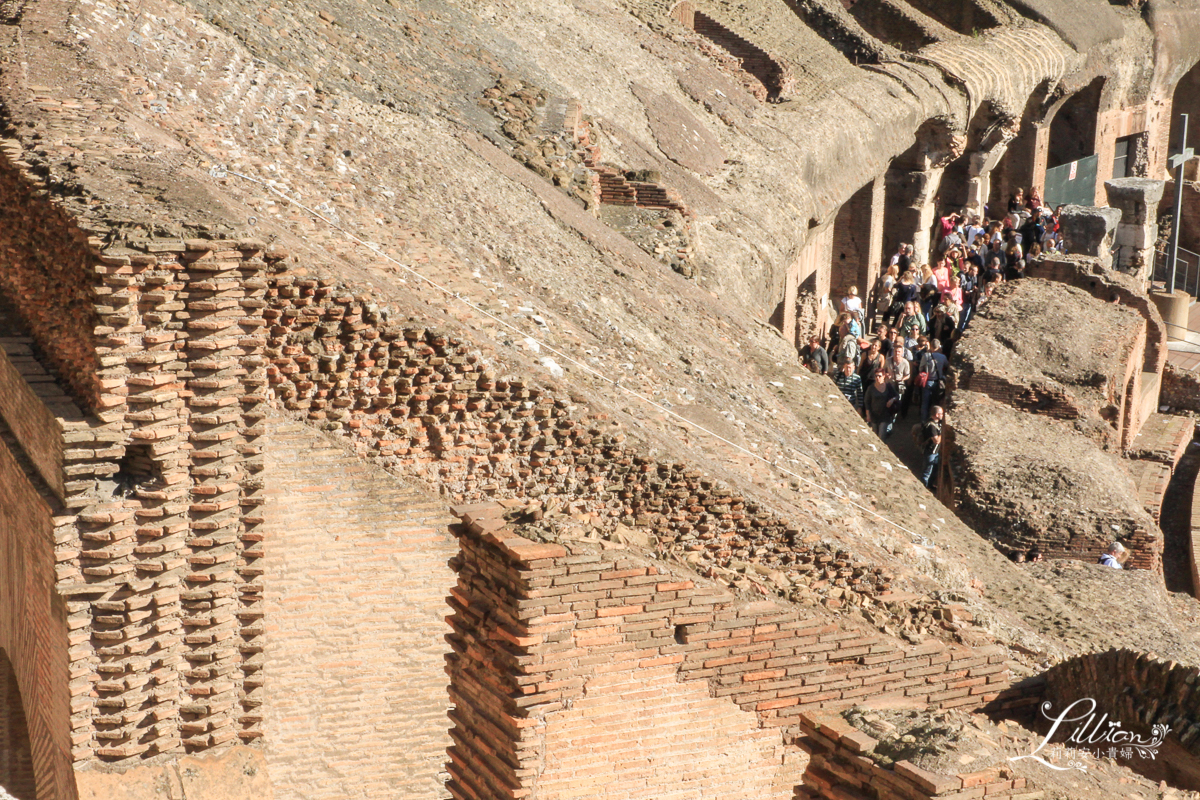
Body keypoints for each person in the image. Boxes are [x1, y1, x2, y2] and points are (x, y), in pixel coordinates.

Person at [919, 338, 948, 421]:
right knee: (936, 403)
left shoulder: (926, 356)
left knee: (925, 403)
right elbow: (947, 366)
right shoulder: (942, 357)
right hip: (938, 382)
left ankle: (924, 421)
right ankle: (936, 421)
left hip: (927, 381)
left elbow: (920, 368)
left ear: (931, 346)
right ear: (939, 347)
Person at [865, 369, 899, 439]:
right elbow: (867, 402)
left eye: (879, 376)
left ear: (884, 376)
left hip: (885, 415)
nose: (877, 378)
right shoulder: (871, 388)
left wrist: (892, 400)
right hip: (874, 415)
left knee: (881, 436)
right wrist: (868, 415)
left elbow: (897, 396)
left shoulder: (888, 386)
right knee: (874, 436)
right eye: (876, 376)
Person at [920, 405, 944, 488]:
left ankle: (930, 485)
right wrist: (942, 433)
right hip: (930, 451)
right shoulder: (931, 426)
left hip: (936, 452)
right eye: (941, 414)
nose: (942, 415)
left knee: (935, 470)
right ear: (937, 415)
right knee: (927, 471)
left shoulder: (937, 424)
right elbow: (936, 440)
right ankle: (924, 487)